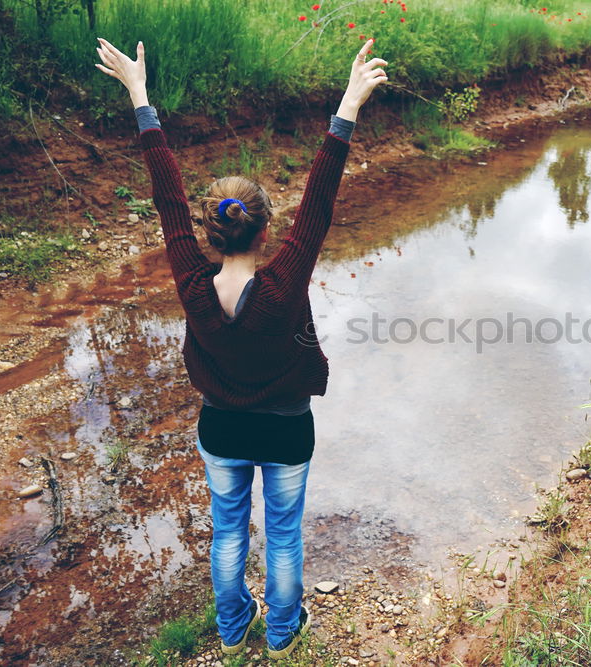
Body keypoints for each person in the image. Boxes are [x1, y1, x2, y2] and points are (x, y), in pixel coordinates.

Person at [94, 36, 388, 659]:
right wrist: (348, 104)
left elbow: (166, 197)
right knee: (282, 536)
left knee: (227, 532)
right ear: (267, 227)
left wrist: (139, 96)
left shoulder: (193, 283)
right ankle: (282, 632)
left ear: (205, 231)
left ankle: (232, 630)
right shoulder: (284, 282)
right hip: (285, 430)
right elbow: (321, 198)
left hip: (222, 429)